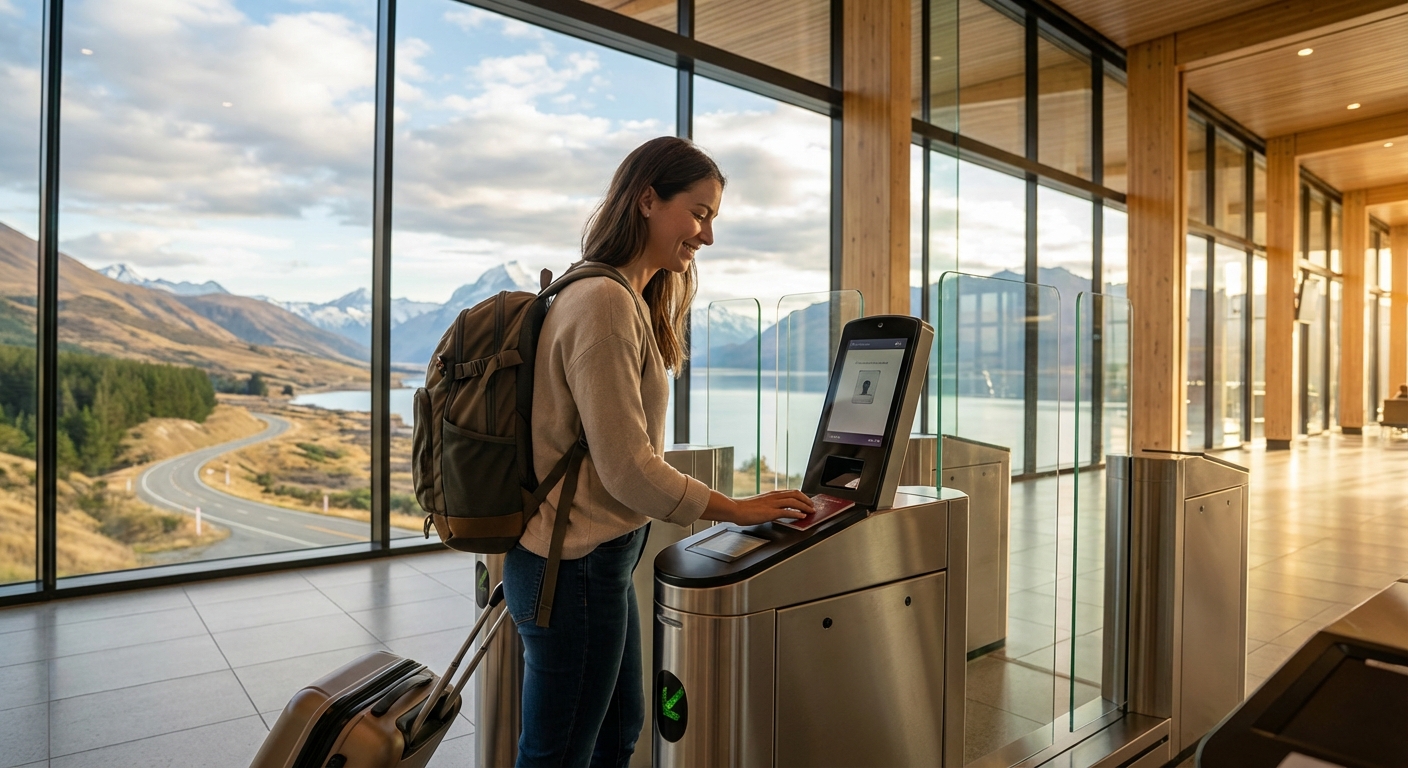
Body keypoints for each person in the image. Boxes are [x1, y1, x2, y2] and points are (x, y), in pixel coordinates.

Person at [503, 136, 814, 767]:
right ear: (647, 199)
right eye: (698, 213)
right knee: (559, 754)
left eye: (712, 218)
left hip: (591, 565)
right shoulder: (603, 303)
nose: (706, 236)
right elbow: (627, 468)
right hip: (574, 569)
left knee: (617, 734)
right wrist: (737, 509)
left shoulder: (615, 296)